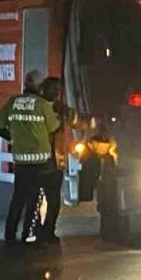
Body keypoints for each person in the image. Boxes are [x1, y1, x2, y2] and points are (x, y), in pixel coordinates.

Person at [0, 70, 60, 247]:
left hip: (21, 160)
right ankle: (28, 235)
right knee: (34, 199)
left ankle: (9, 233)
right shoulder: (42, 105)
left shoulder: (12, 102)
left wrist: (13, 138)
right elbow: (54, 128)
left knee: (18, 198)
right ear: (39, 87)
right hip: (39, 160)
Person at [37, 75, 85, 244]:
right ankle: (39, 229)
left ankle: (48, 230)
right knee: (37, 198)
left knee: (53, 199)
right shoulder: (39, 108)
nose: (57, 93)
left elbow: (77, 122)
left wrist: (91, 123)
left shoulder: (62, 110)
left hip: (54, 161)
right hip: (39, 161)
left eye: (58, 90)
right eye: (54, 89)